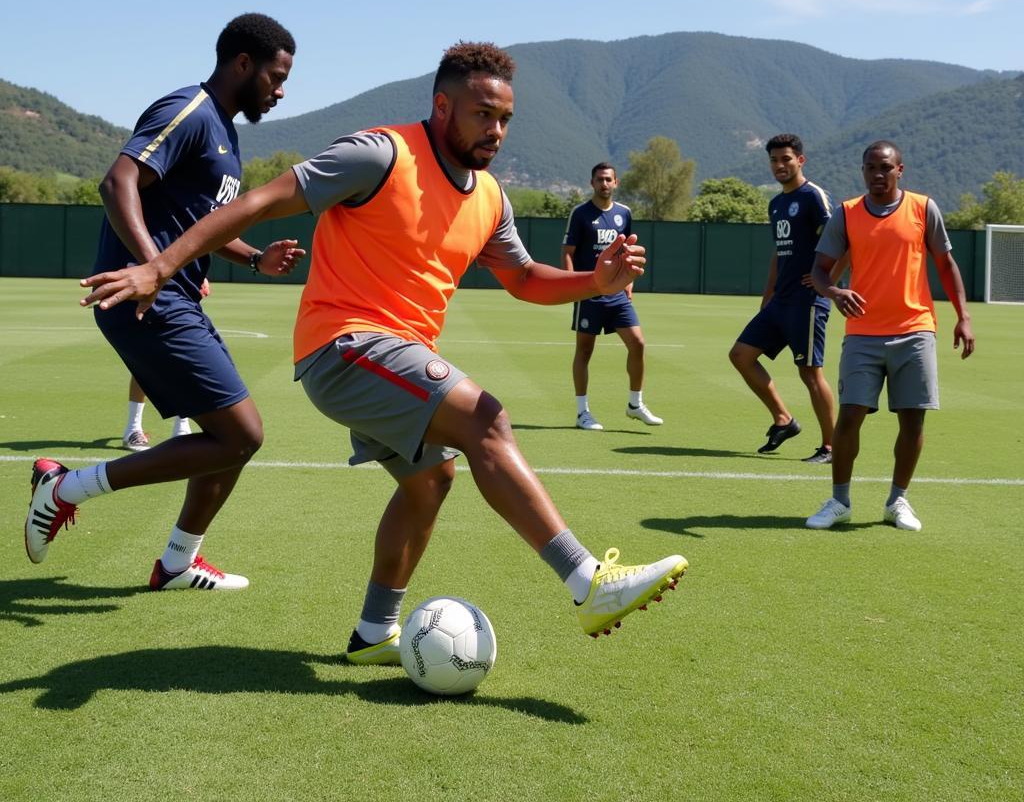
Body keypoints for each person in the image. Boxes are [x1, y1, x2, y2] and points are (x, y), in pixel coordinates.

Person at [78, 41, 688, 656]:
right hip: (344, 346)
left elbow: (525, 278)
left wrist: (595, 282)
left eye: (505, 118)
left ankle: (374, 631)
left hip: (394, 358)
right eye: (483, 115)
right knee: (488, 420)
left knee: (431, 480)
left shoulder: (491, 197)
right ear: (443, 106)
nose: (496, 130)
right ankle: (590, 583)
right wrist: (158, 267)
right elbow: (258, 203)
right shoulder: (380, 153)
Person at [25, 13, 306, 590]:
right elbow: (117, 180)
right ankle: (65, 488)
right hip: (142, 295)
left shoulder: (226, 131)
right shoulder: (189, 111)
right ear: (243, 64)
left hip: (172, 295)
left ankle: (178, 562)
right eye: (276, 77)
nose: (281, 91)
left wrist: (253, 258)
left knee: (233, 440)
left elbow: (202, 224)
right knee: (241, 435)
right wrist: (152, 268)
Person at [805, 140, 975, 531]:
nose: (877, 175)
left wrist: (963, 316)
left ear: (900, 170)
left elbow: (945, 264)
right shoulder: (846, 214)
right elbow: (819, 270)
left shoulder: (923, 208)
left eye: (885, 168)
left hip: (915, 331)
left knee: (913, 422)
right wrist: (834, 291)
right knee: (849, 418)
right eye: (870, 168)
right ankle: (839, 501)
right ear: (863, 171)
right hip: (863, 334)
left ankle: (898, 500)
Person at [728, 134, 837, 462]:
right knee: (741, 355)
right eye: (775, 160)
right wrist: (768, 295)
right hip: (780, 301)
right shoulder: (776, 204)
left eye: (786, 159)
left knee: (809, 373)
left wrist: (826, 280)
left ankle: (832, 447)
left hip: (807, 301)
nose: (780, 166)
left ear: (800, 160)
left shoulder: (813, 196)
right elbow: (779, 253)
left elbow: (841, 240)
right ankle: (784, 419)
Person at [561, 163, 663, 431]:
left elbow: (627, 250)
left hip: (617, 295)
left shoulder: (624, 214)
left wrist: (628, 281)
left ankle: (635, 404)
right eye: (599, 180)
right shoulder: (580, 213)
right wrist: (572, 284)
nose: (604, 184)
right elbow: (568, 251)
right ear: (592, 183)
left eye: (608, 179)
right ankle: (582, 413)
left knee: (638, 343)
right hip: (589, 292)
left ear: (616, 183)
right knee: (584, 351)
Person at [121, 280, 209, 449]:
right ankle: (132, 428)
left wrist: (200, 276)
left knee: (185, 357)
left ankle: (182, 426)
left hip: (180, 293)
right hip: (148, 289)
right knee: (145, 360)